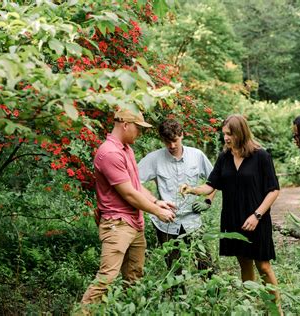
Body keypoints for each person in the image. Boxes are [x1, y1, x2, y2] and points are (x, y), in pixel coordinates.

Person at [180, 114, 282, 310]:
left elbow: (274, 190)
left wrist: (257, 215)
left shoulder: (261, 156)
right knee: (244, 265)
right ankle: (249, 308)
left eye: (230, 134)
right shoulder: (224, 157)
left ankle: (276, 311)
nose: (226, 138)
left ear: (241, 133)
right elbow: (211, 186)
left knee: (263, 266)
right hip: (233, 219)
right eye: (224, 134)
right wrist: (192, 189)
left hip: (256, 219)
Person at [81, 109, 176, 305]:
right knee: (106, 278)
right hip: (117, 224)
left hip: (134, 224)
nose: (139, 133)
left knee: (134, 278)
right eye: (138, 128)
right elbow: (129, 194)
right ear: (125, 124)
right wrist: (158, 212)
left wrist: (156, 201)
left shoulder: (126, 149)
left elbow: (135, 184)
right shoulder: (109, 153)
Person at [138, 119, 216, 277]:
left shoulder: (197, 155)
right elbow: (133, 182)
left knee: (205, 265)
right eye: (167, 142)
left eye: (174, 141)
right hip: (166, 221)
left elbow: (215, 181)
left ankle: (215, 298)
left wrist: (208, 201)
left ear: (182, 135)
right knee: (174, 270)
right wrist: (155, 202)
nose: (172, 146)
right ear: (162, 140)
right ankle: (177, 298)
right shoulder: (154, 159)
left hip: (192, 221)